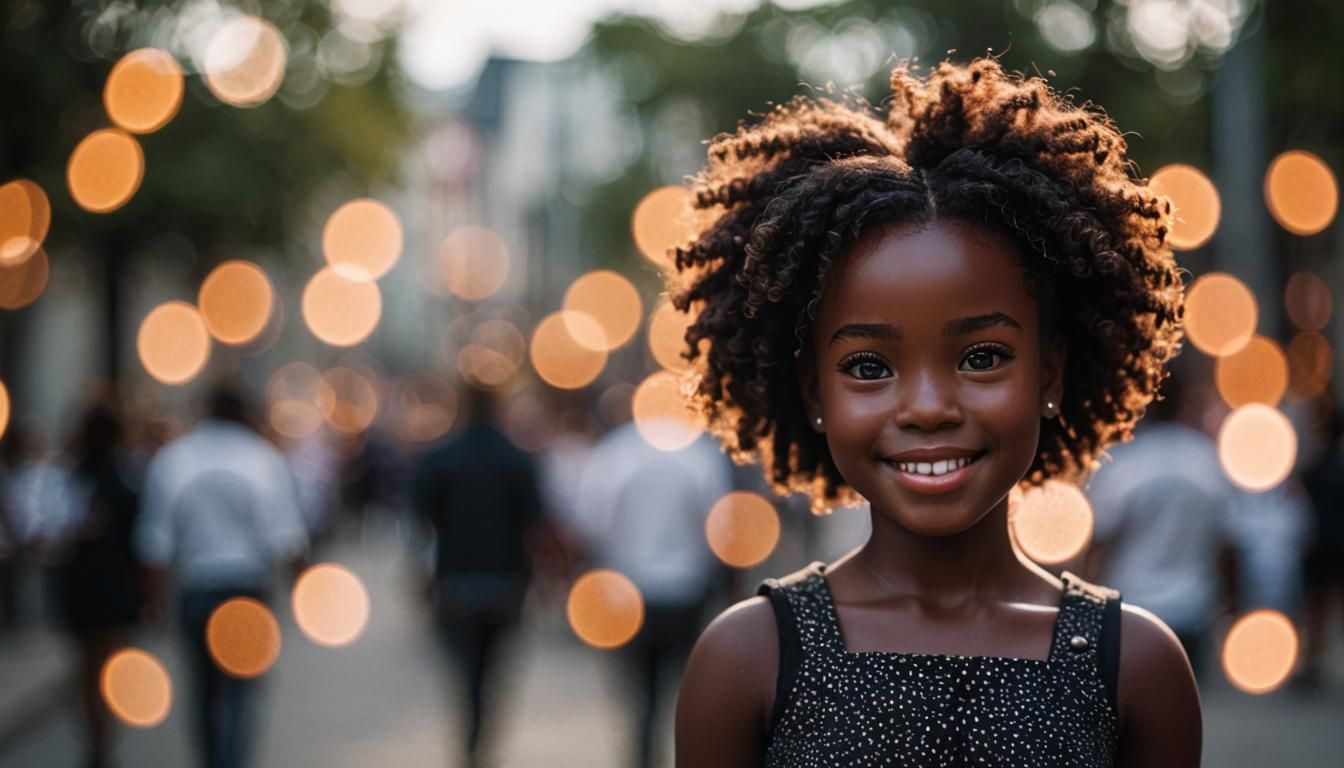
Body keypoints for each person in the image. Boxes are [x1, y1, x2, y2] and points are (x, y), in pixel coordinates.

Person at [670, 57, 1200, 767]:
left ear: (1051, 372)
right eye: (868, 367)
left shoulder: (1138, 667)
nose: (928, 408)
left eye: (982, 357)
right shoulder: (745, 661)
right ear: (812, 394)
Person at [134, 382, 308, 768]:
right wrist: (302, 591)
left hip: (196, 587)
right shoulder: (263, 458)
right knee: (241, 695)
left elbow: (155, 542)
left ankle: (212, 760)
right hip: (246, 588)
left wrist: (153, 601)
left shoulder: (174, 458)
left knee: (202, 690)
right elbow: (287, 536)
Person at [574, 416, 732, 768]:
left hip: (628, 588)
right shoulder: (699, 456)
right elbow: (718, 523)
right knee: (683, 689)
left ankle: (642, 754)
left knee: (639, 691)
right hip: (685, 588)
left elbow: (591, 520)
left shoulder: (615, 453)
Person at [411, 382, 545, 767]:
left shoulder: (440, 458)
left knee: (464, 668)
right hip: (505, 582)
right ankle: (480, 738)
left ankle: (471, 737)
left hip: (454, 580)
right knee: (493, 669)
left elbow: (422, 526)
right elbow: (533, 525)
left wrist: (422, 578)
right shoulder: (517, 459)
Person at [1083, 364, 1238, 679]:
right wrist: (1229, 600)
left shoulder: (1124, 464)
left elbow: (1100, 545)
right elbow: (1226, 543)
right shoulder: (1208, 461)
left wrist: (1085, 610)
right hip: (1192, 607)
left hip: (1131, 606)